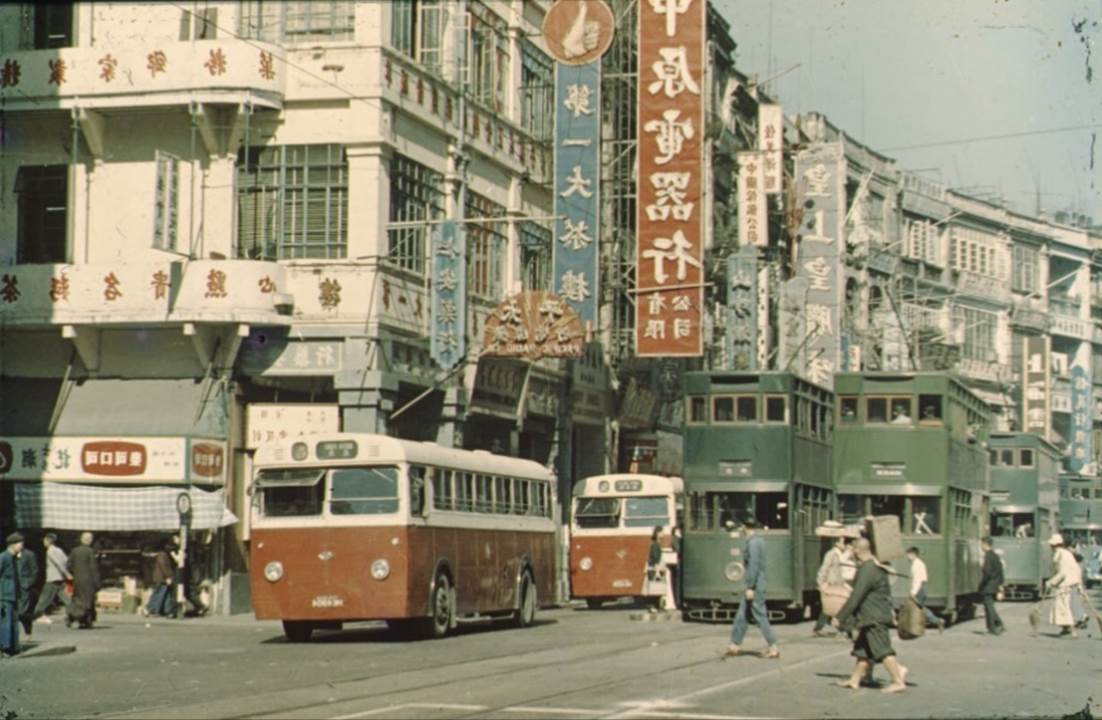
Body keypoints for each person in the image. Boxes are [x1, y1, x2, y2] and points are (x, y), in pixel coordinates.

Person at [834, 537, 908, 694]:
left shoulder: (868, 569)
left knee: (882, 650)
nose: (851, 552)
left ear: (858, 550)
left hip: (874, 617)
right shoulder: (872, 566)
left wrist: (840, 616)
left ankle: (897, 680)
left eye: (853, 550)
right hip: (871, 616)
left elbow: (856, 596)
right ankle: (855, 680)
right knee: (863, 650)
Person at [724, 518, 779, 659]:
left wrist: (750, 586)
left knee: (759, 614)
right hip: (758, 584)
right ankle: (734, 645)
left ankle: (773, 646)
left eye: (741, 527)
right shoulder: (759, 541)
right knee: (743, 615)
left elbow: (753, 566)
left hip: (756, 585)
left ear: (744, 527)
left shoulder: (753, 543)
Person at [1046, 533, 1083, 637]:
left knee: (1063, 608)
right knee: (1062, 607)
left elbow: (1062, 572)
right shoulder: (1066, 553)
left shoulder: (1061, 554)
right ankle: (1065, 629)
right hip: (1069, 583)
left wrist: (1051, 582)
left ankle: (1071, 630)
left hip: (1065, 584)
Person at [813, 536, 851, 637]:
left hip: (842, 584)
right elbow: (824, 569)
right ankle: (821, 627)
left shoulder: (847, 554)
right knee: (829, 607)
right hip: (831, 583)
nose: (845, 545)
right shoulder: (831, 554)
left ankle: (842, 628)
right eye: (843, 542)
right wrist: (821, 583)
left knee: (838, 606)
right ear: (837, 543)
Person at [33, 533, 71, 623]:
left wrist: (66, 574)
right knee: (65, 598)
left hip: (53, 578)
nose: (43, 542)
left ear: (48, 541)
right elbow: (66, 560)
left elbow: (58, 563)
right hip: (60, 578)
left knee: (44, 598)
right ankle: (73, 612)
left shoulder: (50, 551)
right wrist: (66, 573)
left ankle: (37, 614)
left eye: (44, 541)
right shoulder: (59, 550)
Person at [66, 532, 100, 629]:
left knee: (78, 599)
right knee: (88, 601)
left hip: (78, 580)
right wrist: (97, 582)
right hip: (88, 580)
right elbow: (94, 568)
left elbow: (69, 565)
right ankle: (85, 620)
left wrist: (75, 573)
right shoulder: (90, 552)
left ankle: (73, 617)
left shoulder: (74, 551)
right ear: (90, 541)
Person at [905, 547, 943, 632]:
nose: (907, 556)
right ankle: (934, 621)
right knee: (919, 607)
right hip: (921, 587)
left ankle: (937, 621)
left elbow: (918, 580)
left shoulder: (917, 565)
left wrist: (913, 592)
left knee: (919, 608)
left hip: (920, 588)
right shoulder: (917, 563)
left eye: (908, 554)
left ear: (913, 554)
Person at [1, 533, 25, 656]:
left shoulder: (14, 558)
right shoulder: (4, 557)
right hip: (4, 595)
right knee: (6, 622)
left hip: (13, 594)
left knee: (14, 622)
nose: (22, 546)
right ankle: (5, 648)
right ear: (13, 544)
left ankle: (13, 647)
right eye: (20, 544)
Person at [144, 540, 179, 618]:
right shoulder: (163, 555)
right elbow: (164, 567)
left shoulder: (162, 555)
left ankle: (165, 610)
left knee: (164, 594)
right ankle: (150, 609)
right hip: (161, 579)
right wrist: (168, 576)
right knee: (159, 594)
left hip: (161, 578)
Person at [978, 537, 1005, 635]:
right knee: (990, 606)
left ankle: (994, 627)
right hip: (994, 584)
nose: (981, 546)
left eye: (981, 544)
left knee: (988, 607)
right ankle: (996, 625)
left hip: (988, 585)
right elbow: (1000, 571)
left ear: (985, 544)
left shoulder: (988, 556)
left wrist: (982, 583)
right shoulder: (995, 556)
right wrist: (1000, 584)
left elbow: (987, 572)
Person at [15, 535, 39, 638]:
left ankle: (28, 630)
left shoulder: (29, 554)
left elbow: (35, 571)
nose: (20, 544)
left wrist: (28, 583)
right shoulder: (10, 555)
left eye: (21, 542)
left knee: (23, 612)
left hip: (24, 586)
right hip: (13, 586)